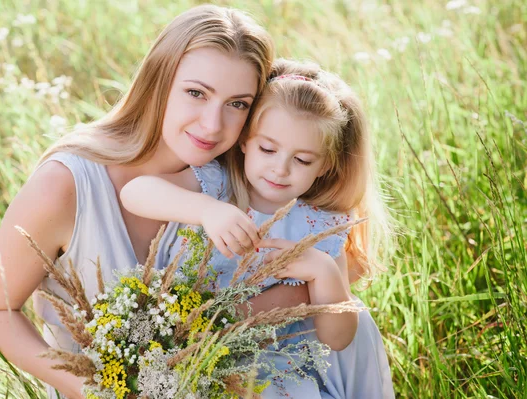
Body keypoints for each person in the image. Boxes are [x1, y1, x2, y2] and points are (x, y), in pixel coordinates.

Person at [0, 5, 291, 399]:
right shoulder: (66, 184)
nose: (212, 124)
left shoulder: (237, 182)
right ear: (159, 82)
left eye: (237, 103)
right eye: (195, 93)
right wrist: (94, 390)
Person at [121, 58, 395, 398]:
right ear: (245, 141)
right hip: (188, 351)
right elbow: (134, 192)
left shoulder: (319, 226)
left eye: (302, 160)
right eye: (268, 149)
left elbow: (338, 339)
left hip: (273, 371)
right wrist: (207, 211)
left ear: (325, 165)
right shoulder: (216, 186)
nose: (280, 169)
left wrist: (324, 273)